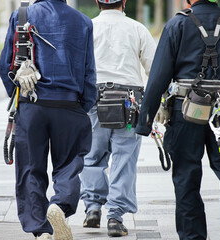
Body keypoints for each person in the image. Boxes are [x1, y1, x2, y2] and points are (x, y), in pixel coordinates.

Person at [135, 0, 220, 239]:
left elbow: (159, 75)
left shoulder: (177, 24)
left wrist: (144, 120)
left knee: (186, 176)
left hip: (186, 113)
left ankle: (192, 236)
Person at [0, 0, 97, 239]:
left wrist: (16, 95)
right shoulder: (83, 21)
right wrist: (84, 105)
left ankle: (38, 228)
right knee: (69, 164)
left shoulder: (22, 15)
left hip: (32, 105)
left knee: (31, 168)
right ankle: (59, 205)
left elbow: (5, 64)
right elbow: (88, 70)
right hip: (69, 104)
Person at [79, 0, 156, 237]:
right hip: (130, 102)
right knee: (124, 158)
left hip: (94, 99)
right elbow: (153, 67)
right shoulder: (137, 28)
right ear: (124, 3)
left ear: (97, 2)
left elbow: (77, 66)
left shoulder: (87, 28)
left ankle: (92, 208)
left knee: (92, 155)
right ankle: (115, 216)